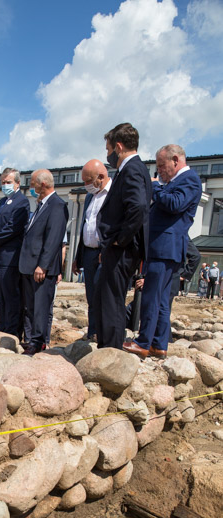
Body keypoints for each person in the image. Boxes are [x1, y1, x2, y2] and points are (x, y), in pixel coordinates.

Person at [123, 144, 202, 358]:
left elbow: (175, 204)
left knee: (151, 296)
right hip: (161, 247)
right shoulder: (177, 182)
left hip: (165, 248)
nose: (159, 171)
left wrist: (155, 187)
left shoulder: (189, 180)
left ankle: (144, 342)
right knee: (161, 300)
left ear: (175, 160)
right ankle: (159, 344)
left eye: (161, 165)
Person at [94, 122, 152, 350]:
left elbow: (138, 207)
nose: (107, 155)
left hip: (122, 249)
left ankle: (111, 350)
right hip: (121, 248)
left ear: (118, 146)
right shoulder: (134, 169)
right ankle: (108, 346)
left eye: (108, 149)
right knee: (107, 297)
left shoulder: (132, 169)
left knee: (112, 300)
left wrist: (121, 238)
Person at [18, 169, 68, 356]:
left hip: (41, 268)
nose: (31, 187)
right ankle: (32, 339)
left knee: (40, 307)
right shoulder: (41, 205)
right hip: (30, 266)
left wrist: (43, 265)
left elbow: (53, 238)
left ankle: (39, 342)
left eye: (33, 183)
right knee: (31, 306)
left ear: (43, 184)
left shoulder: (57, 205)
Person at [0, 168, 29, 335]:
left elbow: (12, 228)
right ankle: (1, 326)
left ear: (17, 183)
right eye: (2, 182)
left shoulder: (22, 202)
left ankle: (12, 330)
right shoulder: (1, 202)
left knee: (11, 296)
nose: (5, 185)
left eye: (8, 182)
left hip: (9, 257)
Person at [72, 159, 112, 342]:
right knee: (90, 294)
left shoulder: (114, 194)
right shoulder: (90, 197)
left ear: (101, 177)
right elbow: (85, 226)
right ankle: (93, 331)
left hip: (105, 252)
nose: (86, 185)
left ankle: (105, 333)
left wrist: (109, 248)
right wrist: (78, 257)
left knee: (102, 294)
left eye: (88, 181)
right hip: (88, 252)